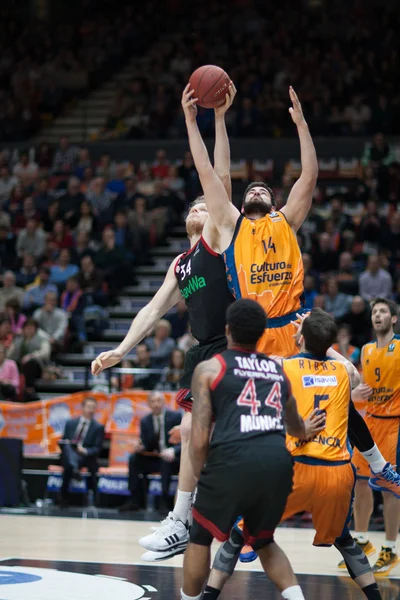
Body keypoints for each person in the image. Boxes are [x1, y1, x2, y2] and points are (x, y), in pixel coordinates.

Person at [91, 87, 237, 559]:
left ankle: (190, 518)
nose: (202, 205)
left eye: (205, 203)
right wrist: (122, 350)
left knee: (207, 434)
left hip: (232, 345)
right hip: (204, 350)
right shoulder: (181, 263)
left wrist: (208, 120)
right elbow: (151, 310)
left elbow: (218, 175)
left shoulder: (217, 235)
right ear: (186, 218)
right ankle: (195, 519)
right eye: (196, 204)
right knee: (200, 436)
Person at [205, 308, 383, 600]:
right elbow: (351, 372)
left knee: (237, 535)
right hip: (336, 474)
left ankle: (208, 596)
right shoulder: (341, 372)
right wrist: (322, 341)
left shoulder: (283, 367)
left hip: (295, 469)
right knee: (344, 539)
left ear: (299, 337)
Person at [182, 299, 323, 600]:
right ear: (261, 334)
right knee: (263, 540)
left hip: (232, 459)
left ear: (228, 330)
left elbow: (198, 441)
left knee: (200, 536)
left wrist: (201, 480)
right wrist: (306, 429)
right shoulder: (276, 370)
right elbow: (294, 424)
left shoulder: (209, 369)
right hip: (277, 462)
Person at [182, 84, 317, 359]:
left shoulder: (287, 221)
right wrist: (191, 121)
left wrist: (302, 125)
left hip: (294, 325)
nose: (257, 190)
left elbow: (309, 176)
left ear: (274, 204)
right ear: (241, 207)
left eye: (264, 191)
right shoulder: (233, 226)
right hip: (251, 333)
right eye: (252, 191)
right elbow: (207, 172)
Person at [349, 298, 400, 576]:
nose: (377, 315)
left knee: (391, 488)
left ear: (393, 319)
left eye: (382, 312)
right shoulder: (366, 350)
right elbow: (358, 385)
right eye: (374, 312)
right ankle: (361, 540)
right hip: (370, 425)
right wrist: (353, 394)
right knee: (359, 483)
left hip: (394, 426)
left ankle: (390, 548)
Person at [119, 392, 182, 513]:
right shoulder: (145, 420)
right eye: (153, 401)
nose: (156, 404)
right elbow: (146, 443)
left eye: (159, 400)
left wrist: (173, 450)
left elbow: (185, 440)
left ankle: (164, 502)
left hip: (172, 458)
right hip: (154, 457)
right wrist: (140, 446)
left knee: (166, 461)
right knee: (134, 459)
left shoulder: (175, 417)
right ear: (148, 404)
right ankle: (134, 500)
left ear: (164, 402)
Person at [59, 396, 104, 508]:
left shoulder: (98, 427)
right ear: (82, 407)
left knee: (68, 463)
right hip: (70, 453)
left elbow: (97, 448)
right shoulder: (71, 423)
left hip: (85, 457)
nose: (91, 410)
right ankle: (74, 469)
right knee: (68, 448)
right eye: (89, 407)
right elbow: (64, 440)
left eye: (93, 407)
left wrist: (84, 450)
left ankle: (73, 470)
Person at [7, 318, 51, 401]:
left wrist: (31, 356)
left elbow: (45, 352)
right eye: (27, 328)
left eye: (32, 328)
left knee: (31, 363)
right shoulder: (19, 340)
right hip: (21, 367)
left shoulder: (42, 339)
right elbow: (10, 355)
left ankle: (29, 388)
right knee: (13, 363)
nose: (29, 330)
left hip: (38, 367)